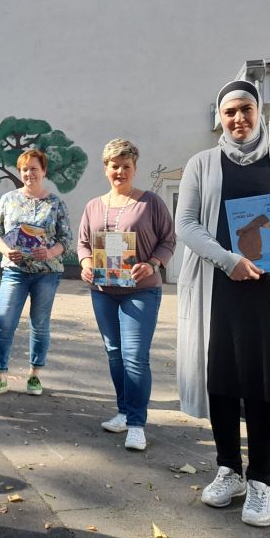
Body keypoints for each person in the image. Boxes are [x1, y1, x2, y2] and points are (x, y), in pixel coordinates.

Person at [175, 80, 270, 528]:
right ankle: (229, 469)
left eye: (246, 110)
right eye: (230, 111)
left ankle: (263, 481)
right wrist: (229, 260)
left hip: (269, 293)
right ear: (220, 116)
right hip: (219, 287)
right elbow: (187, 225)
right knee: (223, 379)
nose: (238, 119)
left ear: (259, 113)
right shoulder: (202, 164)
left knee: (263, 383)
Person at [77, 139, 175, 452]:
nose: (120, 171)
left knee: (134, 356)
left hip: (140, 292)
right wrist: (86, 264)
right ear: (105, 168)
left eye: (126, 166)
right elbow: (82, 243)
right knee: (114, 353)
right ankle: (122, 412)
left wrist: (152, 264)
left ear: (134, 168)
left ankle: (136, 424)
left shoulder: (151, 203)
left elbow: (168, 240)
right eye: (114, 166)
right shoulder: (93, 206)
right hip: (104, 291)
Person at [0, 149, 72, 398]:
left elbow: (66, 239)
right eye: (24, 169)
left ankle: (34, 376)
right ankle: (0, 377)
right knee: (4, 323)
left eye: (34, 168)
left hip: (47, 273)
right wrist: (6, 250)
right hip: (14, 271)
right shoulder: (8, 199)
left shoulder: (56, 203)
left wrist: (51, 253)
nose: (29, 173)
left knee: (40, 325)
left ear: (44, 171)